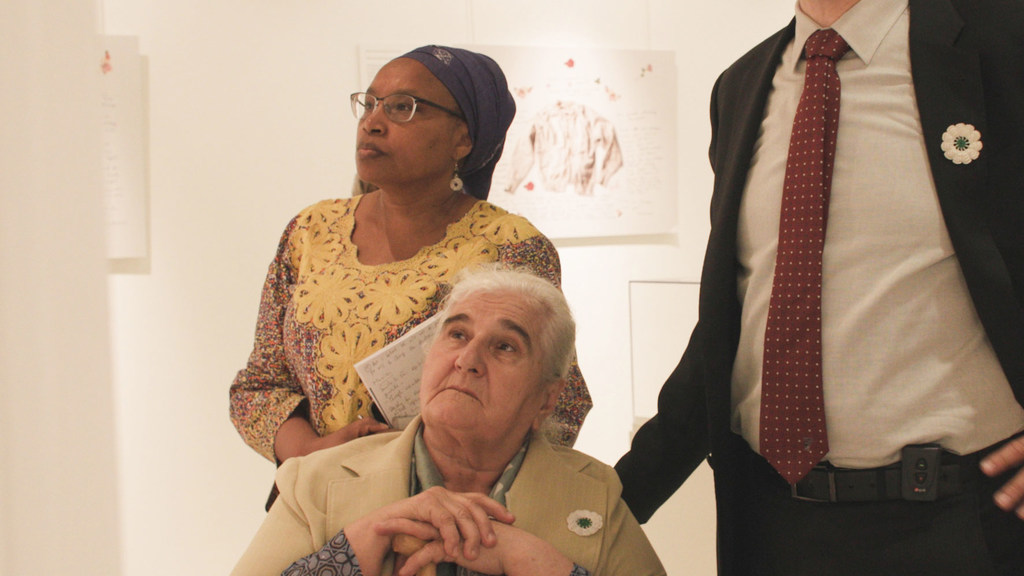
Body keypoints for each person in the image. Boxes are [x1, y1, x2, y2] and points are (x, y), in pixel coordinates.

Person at [615, 0, 1024, 574]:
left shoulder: (1002, 41)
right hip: (771, 523)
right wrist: (604, 507)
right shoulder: (741, 85)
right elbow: (737, 321)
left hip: (961, 524)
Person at [229, 45, 592, 492]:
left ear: (463, 138)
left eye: (403, 108)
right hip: (313, 500)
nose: (372, 122)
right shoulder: (311, 231)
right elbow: (257, 389)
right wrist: (311, 451)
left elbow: (558, 405)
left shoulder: (510, 247)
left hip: (448, 516)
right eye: (370, 103)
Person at [230, 266, 665, 576]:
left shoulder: (595, 494)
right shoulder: (316, 484)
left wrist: (534, 564)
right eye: (457, 334)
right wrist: (358, 545)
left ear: (545, 400)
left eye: (505, 347)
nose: (468, 359)